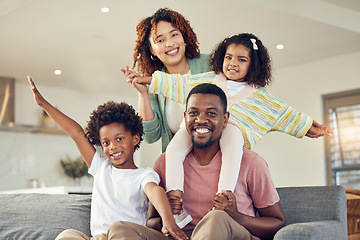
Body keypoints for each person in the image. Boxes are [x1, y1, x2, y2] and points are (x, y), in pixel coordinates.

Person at [127, 33, 333, 218]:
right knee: (173, 149)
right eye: (228, 57)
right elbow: (175, 84)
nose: (233, 63)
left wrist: (309, 127)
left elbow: (287, 115)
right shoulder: (209, 79)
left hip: (234, 130)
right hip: (199, 129)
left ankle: (223, 196)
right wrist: (143, 80)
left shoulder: (262, 98)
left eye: (241, 59)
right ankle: (174, 194)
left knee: (233, 143)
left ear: (254, 65)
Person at [114, 83, 286, 239]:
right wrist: (167, 213)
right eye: (193, 113)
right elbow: (152, 222)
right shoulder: (165, 162)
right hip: (181, 236)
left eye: (211, 113)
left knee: (216, 218)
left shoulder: (251, 163)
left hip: (229, 234)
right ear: (185, 117)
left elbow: (277, 222)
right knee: (119, 229)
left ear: (225, 119)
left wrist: (237, 216)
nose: (201, 120)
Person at [27, 76, 188, 240]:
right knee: (67, 235)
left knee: (117, 230)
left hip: (125, 235)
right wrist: (43, 104)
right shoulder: (100, 167)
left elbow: (155, 192)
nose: (112, 147)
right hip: (97, 238)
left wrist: (168, 221)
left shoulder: (144, 175)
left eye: (119, 139)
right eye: (106, 142)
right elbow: (76, 133)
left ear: (135, 139)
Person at [121, 8, 211, 154]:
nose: (169, 43)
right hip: (180, 166)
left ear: (184, 37)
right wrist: (143, 92)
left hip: (218, 159)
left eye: (174, 34)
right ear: (151, 50)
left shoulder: (210, 64)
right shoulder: (155, 85)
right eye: (160, 40)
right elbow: (151, 136)